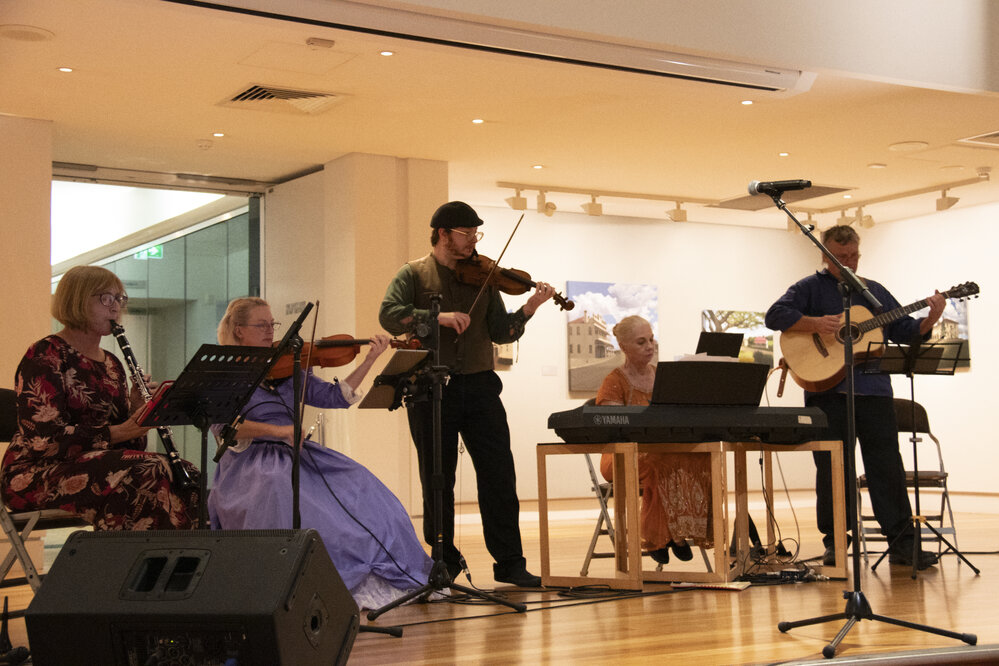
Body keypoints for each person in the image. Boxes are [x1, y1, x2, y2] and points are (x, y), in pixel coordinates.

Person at [209, 297, 432, 609]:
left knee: (361, 483)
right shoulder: (225, 374)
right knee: (277, 488)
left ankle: (379, 570)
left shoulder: (289, 367)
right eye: (261, 325)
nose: (270, 332)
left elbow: (334, 397)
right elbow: (224, 428)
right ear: (239, 331)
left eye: (272, 324)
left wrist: (369, 360)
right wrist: (279, 431)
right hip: (252, 461)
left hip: (300, 454)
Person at [378, 201, 556, 588]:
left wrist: (528, 308)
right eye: (466, 233)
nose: (474, 239)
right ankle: (445, 559)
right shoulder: (413, 274)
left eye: (477, 233)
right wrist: (434, 317)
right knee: (437, 477)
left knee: (498, 475)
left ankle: (509, 562)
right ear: (444, 234)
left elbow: (500, 332)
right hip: (430, 388)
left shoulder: (486, 278)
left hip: (479, 386)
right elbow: (389, 314)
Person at [765, 225, 945, 569]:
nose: (848, 263)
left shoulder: (874, 292)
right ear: (825, 256)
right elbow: (775, 315)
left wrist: (929, 319)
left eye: (853, 257)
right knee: (833, 469)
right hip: (828, 393)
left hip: (875, 392)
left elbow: (904, 330)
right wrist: (816, 324)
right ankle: (835, 542)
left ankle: (903, 545)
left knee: (887, 467)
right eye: (840, 257)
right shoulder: (809, 288)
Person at [1, 265, 199, 529]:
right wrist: (119, 431)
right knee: (148, 470)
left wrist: (137, 412)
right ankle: (126, 566)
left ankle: (176, 565)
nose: (115, 307)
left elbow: (130, 449)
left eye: (120, 298)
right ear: (77, 301)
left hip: (98, 468)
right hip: (35, 473)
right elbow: (44, 441)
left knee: (186, 475)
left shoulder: (112, 364)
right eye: (106, 298)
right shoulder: (45, 355)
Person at [595, 315, 713, 564]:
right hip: (621, 455)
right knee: (658, 463)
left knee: (701, 457)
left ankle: (678, 533)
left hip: (660, 449)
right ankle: (659, 536)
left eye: (651, 339)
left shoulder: (663, 376)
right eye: (641, 342)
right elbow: (612, 429)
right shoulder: (614, 381)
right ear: (623, 346)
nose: (650, 346)